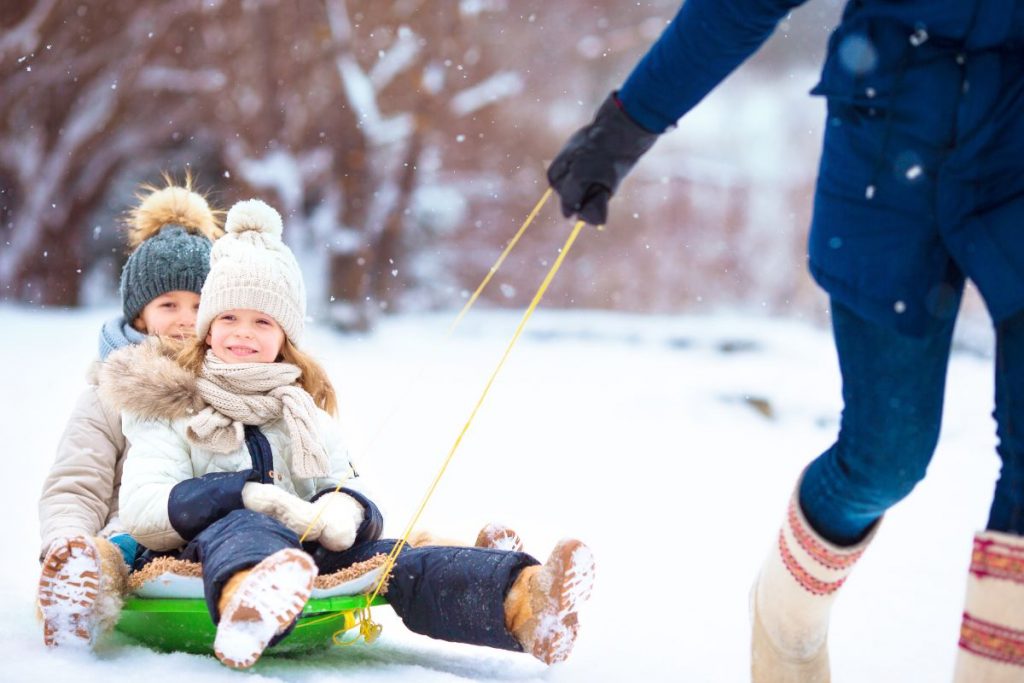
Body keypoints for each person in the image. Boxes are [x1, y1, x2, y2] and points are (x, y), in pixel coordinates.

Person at [547, 2, 1024, 681]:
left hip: (1016, 140)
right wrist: (627, 124)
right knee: (886, 456)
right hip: (891, 134)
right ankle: (786, 626)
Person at [102, 199, 596, 670]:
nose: (243, 332)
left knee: (400, 561)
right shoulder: (170, 405)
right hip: (197, 553)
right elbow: (144, 509)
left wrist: (344, 510)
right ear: (208, 330)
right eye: (228, 317)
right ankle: (250, 606)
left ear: (285, 336)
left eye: (262, 321)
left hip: (304, 556)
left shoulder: (302, 411)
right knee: (247, 525)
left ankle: (524, 602)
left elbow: (348, 483)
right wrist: (246, 496)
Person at [36, 176, 222, 648]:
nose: (186, 318)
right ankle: (80, 581)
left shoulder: (237, 383)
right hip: (133, 534)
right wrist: (66, 540)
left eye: (200, 304)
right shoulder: (110, 392)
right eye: (169, 304)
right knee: (115, 551)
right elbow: (76, 482)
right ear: (140, 315)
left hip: (218, 534)